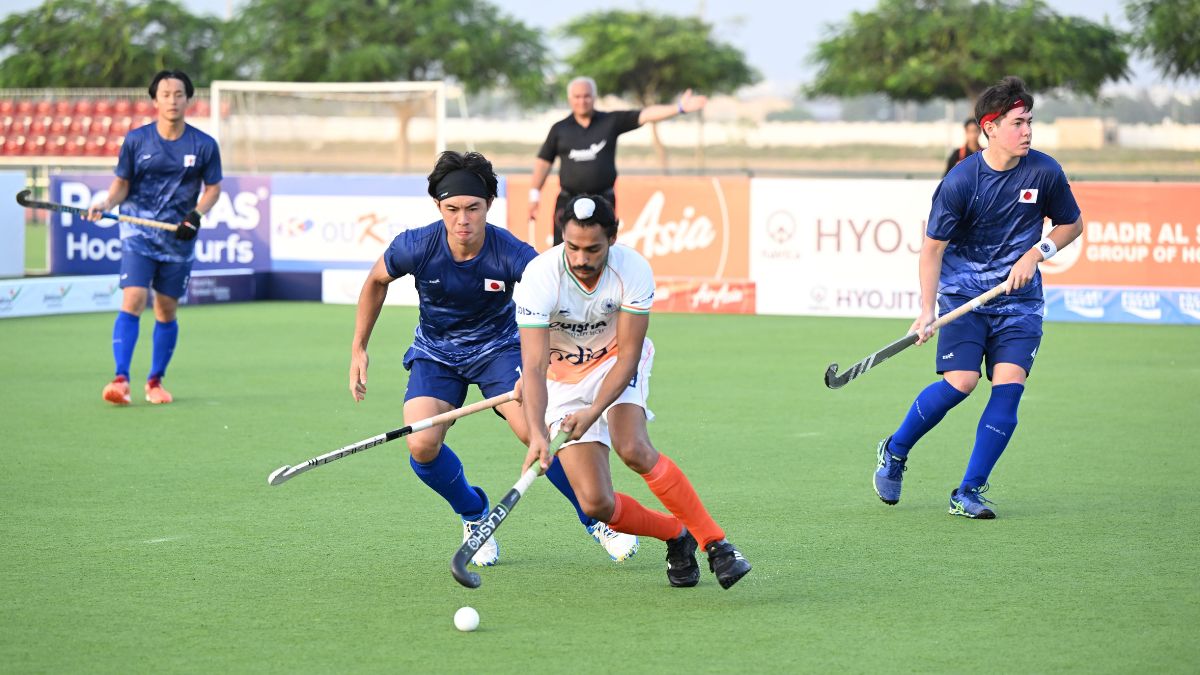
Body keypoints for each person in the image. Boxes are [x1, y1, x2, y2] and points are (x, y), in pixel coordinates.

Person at [350, 150, 637, 567]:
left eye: (472, 208)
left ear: (488, 206)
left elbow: (558, 303)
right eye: (451, 209)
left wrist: (542, 369)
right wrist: (360, 346)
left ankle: (596, 521)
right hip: (436, 353)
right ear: (438, 207)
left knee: (537, 433)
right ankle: (473, 514)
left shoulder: (511, 253)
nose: (462, 219)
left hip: (500, 351)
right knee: (422, 443)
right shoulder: (416, 245)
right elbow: (376, 281)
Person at [515, 194, 752, 589]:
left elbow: (628, 357)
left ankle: (717, 545)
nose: (581, 259)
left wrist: (592, 414)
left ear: (613, 238)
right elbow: (535, 367)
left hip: (614, 363)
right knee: (595, 503)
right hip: (561, 380)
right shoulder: (539, 277)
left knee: (633, 448)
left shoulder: (633, 269)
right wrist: (538, 432)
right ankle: (677, 535)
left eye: (593, 249)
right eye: (572, 247)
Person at [872, 76, 1084, 519]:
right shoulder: (961, 182)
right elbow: (931, 249)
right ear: (990, 127)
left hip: (1019, 303)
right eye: (1018, 123)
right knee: (962, 383)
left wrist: (1036, 253)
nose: (1028, 131)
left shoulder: (1045, 172)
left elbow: (1071, 225)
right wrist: (925, 311)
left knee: (1008, 391)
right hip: (964, 295)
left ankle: (968, 490)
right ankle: (895, 449)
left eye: (1030, 121)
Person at [89, 70, 222, 406]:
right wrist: (105, 202)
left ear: (188, 99)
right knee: (132, 298)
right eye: (165, 94)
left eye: (179, 94)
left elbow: (213, 189)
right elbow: (122, 185)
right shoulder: (136, 140)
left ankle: (155, 381)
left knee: (165, 310)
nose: (172, 100)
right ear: (155, 100)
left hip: (178, 240)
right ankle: (120, 379)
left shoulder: (204, 145)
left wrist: (196, 215)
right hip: (138, 234)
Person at [528, 77, 707, 245]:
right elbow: (544, 162)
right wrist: (534, 195)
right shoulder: (560, 129)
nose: (582, 101)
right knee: (562, 250)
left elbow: (645, 115)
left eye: (586, 96)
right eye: (577, 96)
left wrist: (679, 108)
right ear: (569, 98)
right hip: (569, 200)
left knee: (603, 248)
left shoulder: (610, 121)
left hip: (603, 199)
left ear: (594, 97)